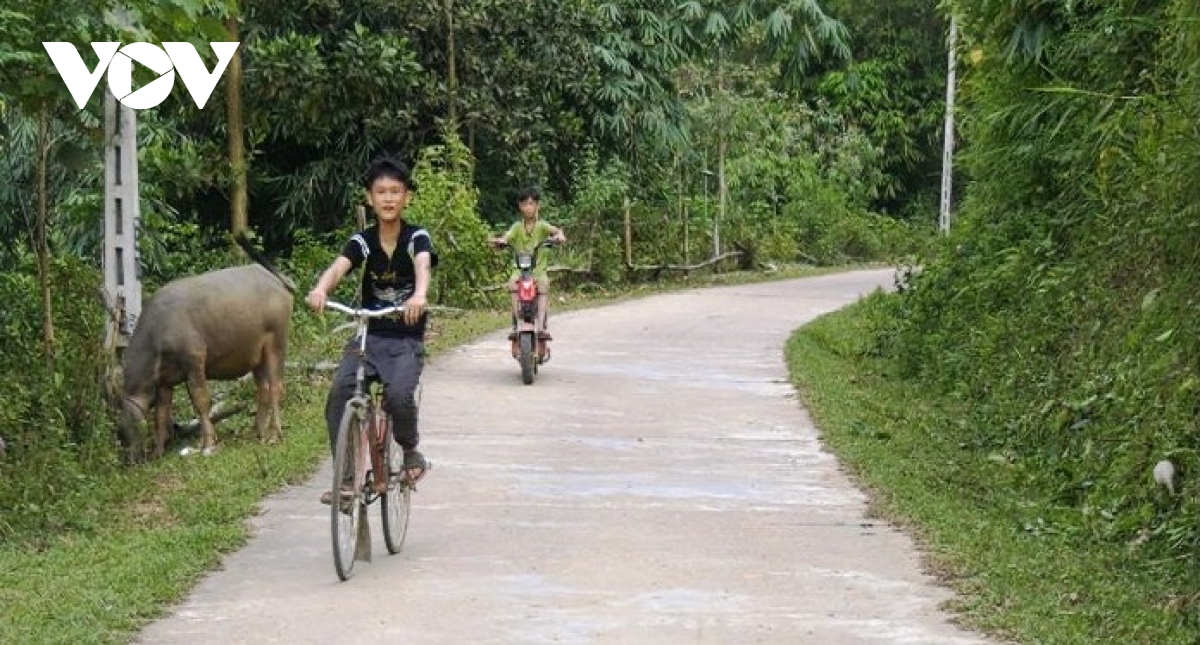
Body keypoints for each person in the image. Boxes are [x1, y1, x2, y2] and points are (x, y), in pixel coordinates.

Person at [306, 156, 435, 502]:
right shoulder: (363, 241)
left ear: (406, 197)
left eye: (395, 191)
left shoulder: (415, 237)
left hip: (404, 340)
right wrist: (321, 289)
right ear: (370, 198)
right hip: (368, 336)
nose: (388, 198)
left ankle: (410, 451)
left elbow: (423, 265)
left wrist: (419, 295)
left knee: (397, 396)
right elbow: (340, 266)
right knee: (338, 395)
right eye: (381, 192)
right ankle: (346, 478)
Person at [488, 185, 566, 341]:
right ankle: (516, 323)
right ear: (520, 206)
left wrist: (559, 237)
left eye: (531, 203)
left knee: (543, 285)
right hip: (520, 270)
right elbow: (507, 236)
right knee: (512, 284)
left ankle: (542, 327)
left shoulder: (542, 225)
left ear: (537, 205)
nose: (528, 207)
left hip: (538, 270)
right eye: (525, 204)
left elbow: (557, 232)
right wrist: (500, 242)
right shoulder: (517, 227)